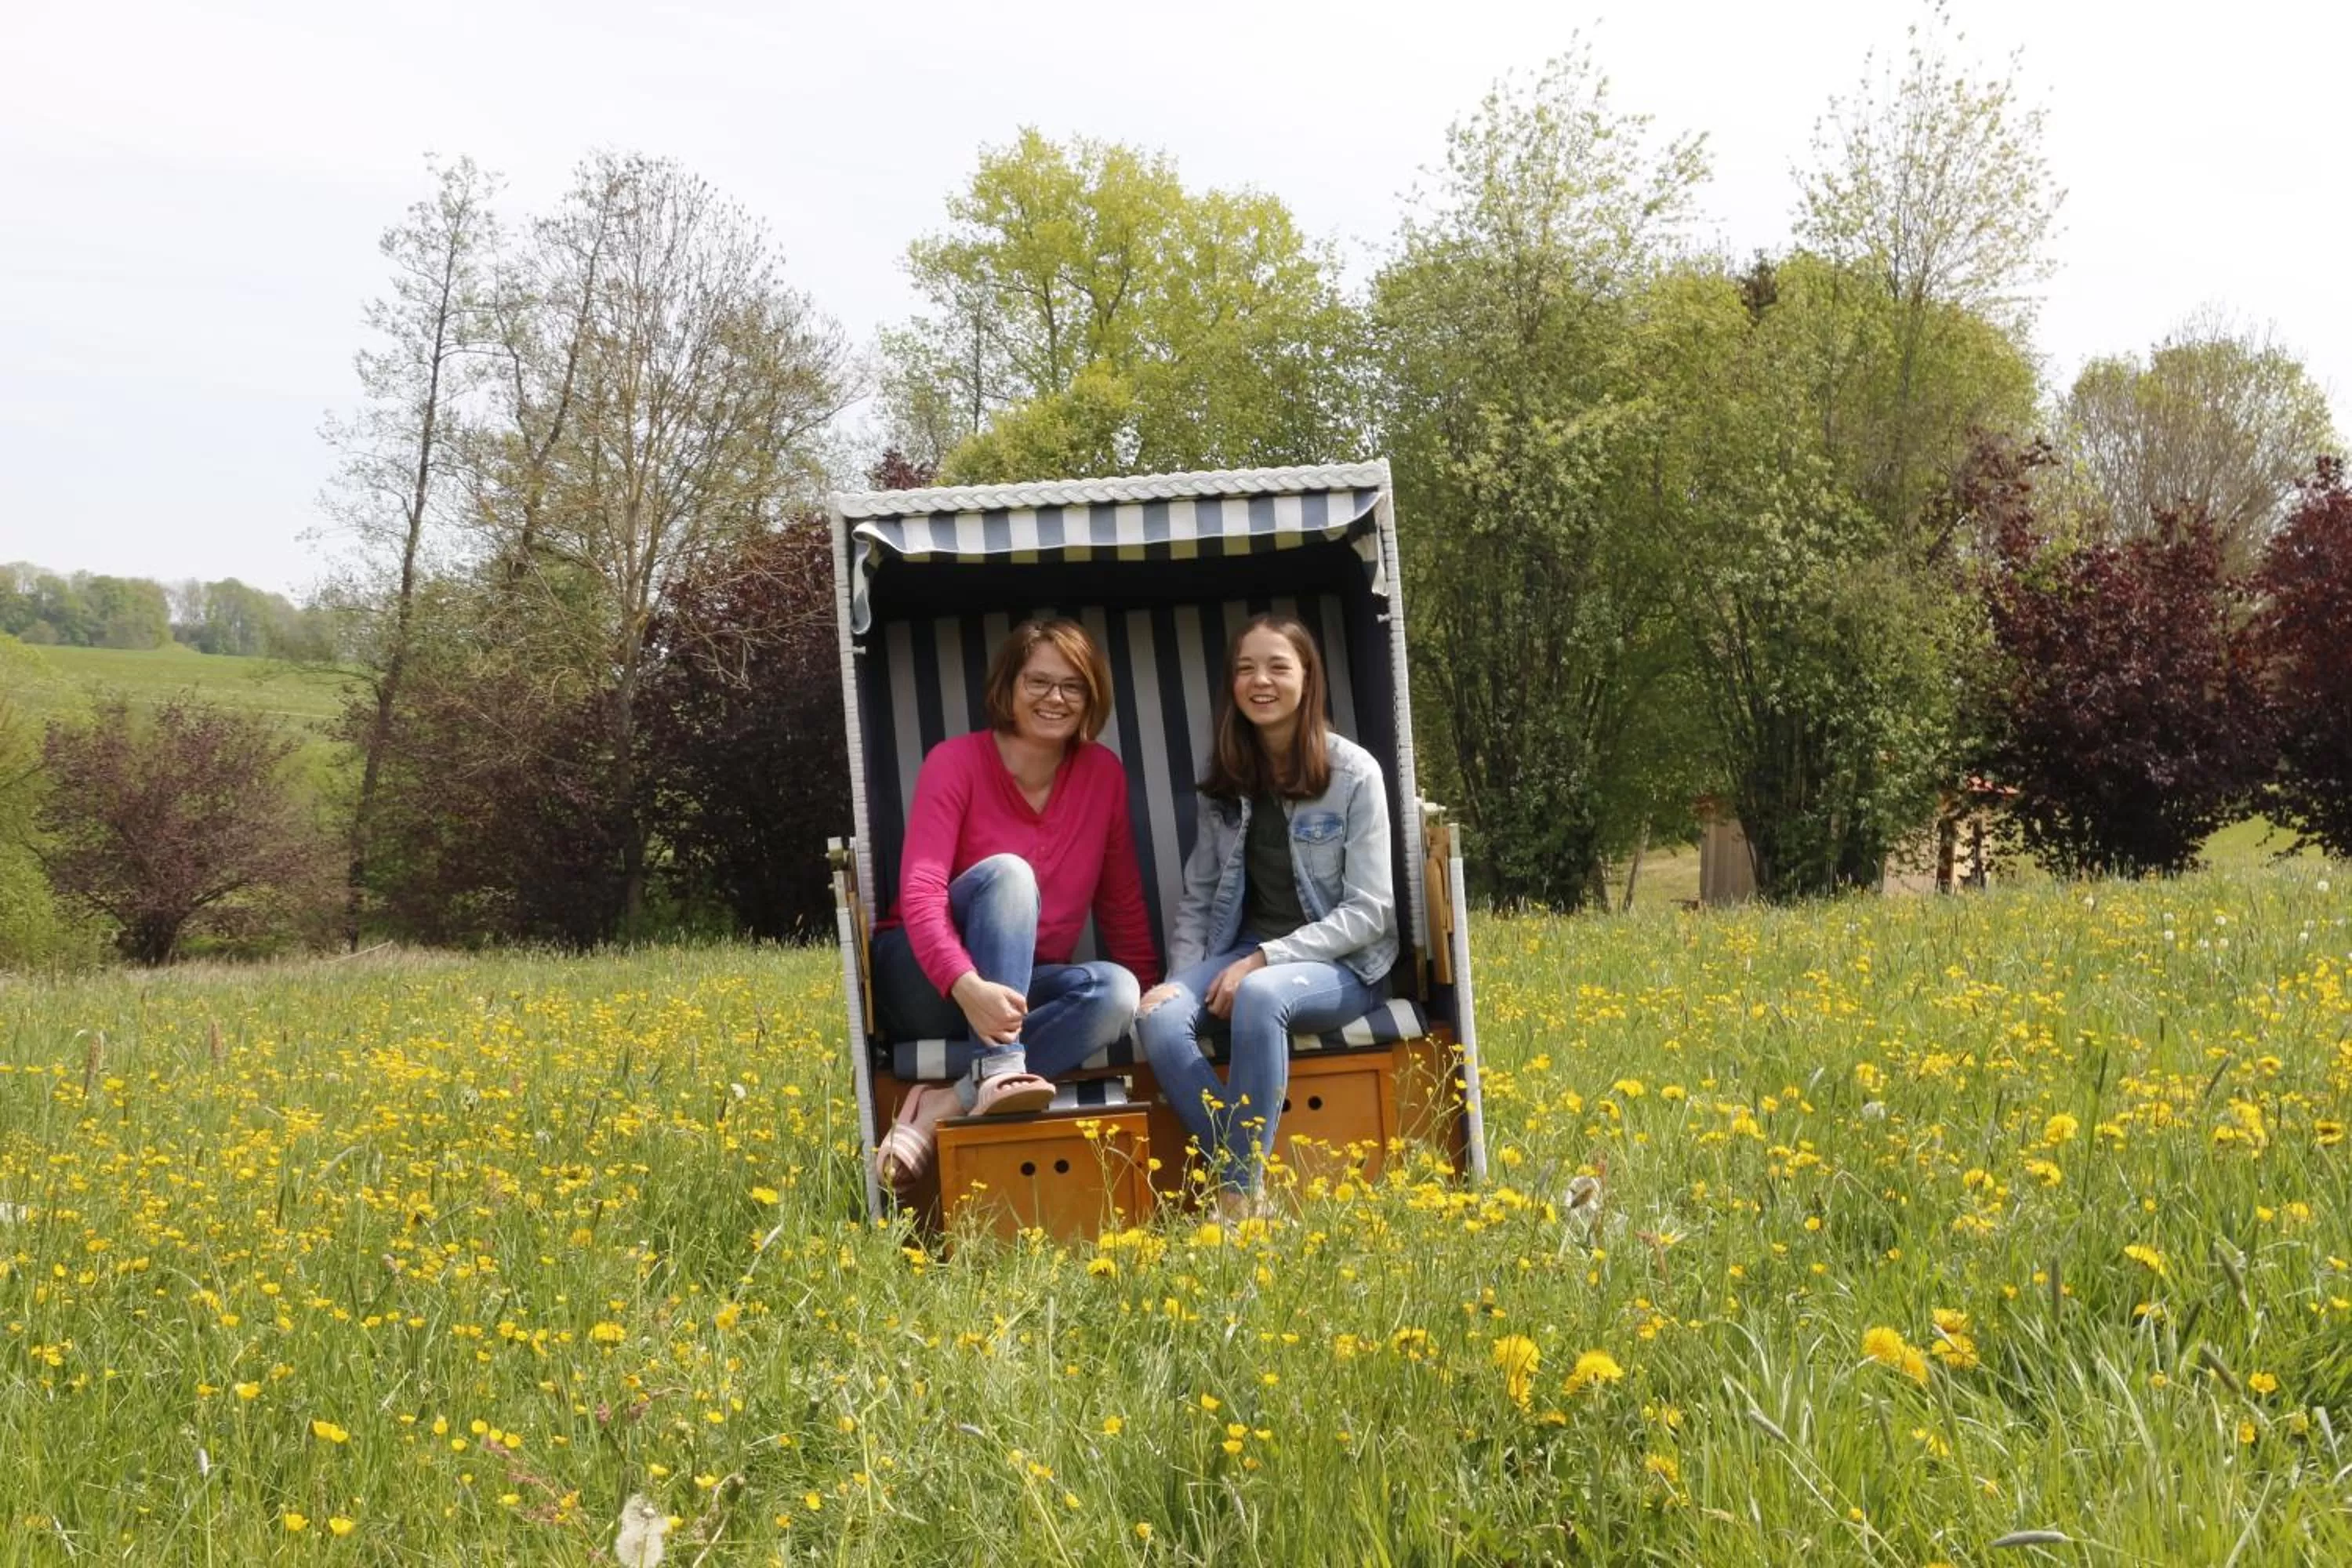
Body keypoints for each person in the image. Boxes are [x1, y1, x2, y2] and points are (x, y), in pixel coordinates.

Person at [870, 617, 1160, 1193]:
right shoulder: (954, 762)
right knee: (1009, 874)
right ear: (1008, 687)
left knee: (1116, 991)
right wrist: (965, 984)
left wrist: (1150, 998)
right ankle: (999, 1070)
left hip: (1013, 994)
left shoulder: (1103, 774)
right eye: (1038, 682)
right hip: (926, 980)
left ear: (1090, 697)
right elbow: (921, 893)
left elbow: (1121, 900)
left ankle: (951, 1100)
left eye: (1072, 686)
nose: (1055, 698)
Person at [1137, 613, 1397, 1214]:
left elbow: (1371, 912)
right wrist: (1178, 983)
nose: (1261, 681)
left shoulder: (1354, 773)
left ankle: (1233, 1197)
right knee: (1157, 1018)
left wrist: (1262, 959)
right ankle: (1247, 1185)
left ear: (1308, 678)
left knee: (1259, 995)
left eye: (1278, 666)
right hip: (1249, 948)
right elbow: (1200, 898)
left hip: (1345, 966)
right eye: (1246, 668)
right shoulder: (1231, 780)